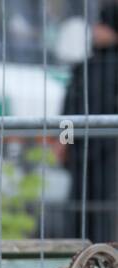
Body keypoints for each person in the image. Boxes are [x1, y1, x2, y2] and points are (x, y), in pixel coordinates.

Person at [59, 3, 118, 243]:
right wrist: (65, 143)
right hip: (80, 156)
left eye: (102, 25)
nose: (96, 30)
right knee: (77, 216)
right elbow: (68, 112)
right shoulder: (85, 67)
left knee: (103, 219)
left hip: (110, 158)